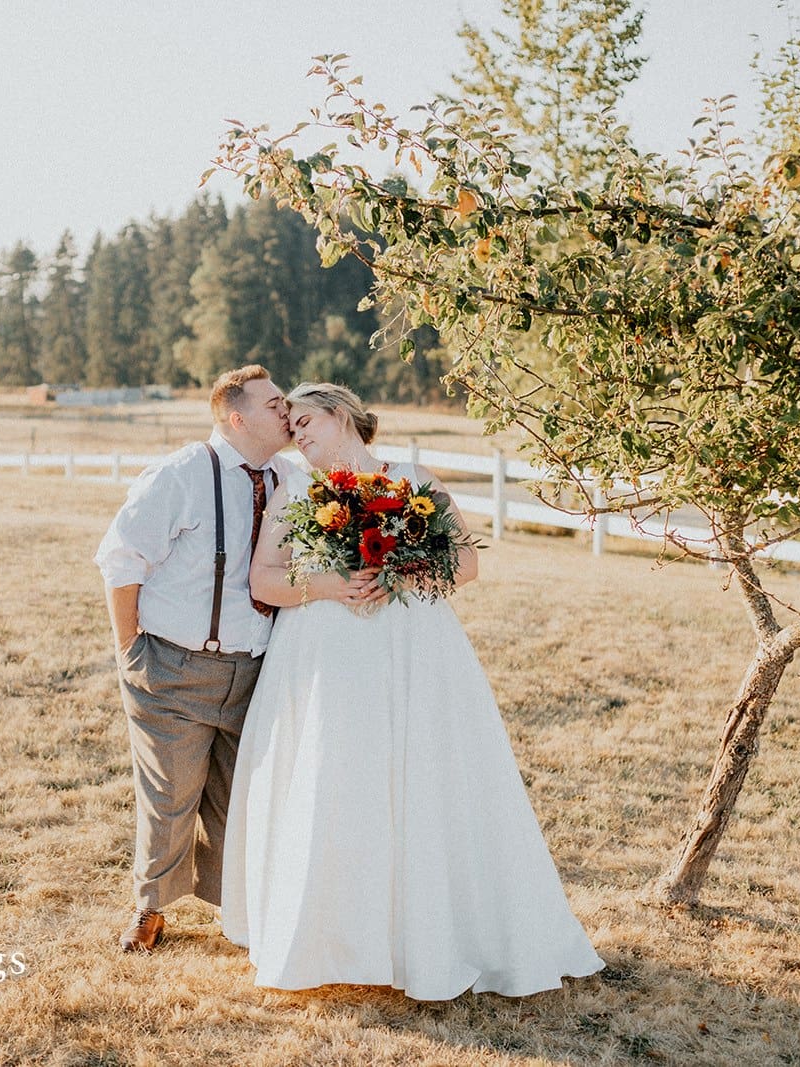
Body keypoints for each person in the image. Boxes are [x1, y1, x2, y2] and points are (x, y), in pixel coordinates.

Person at [220, 381, 605, 999]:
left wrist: (394, 568)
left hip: (413, 651)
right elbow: (264, 581)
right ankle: (329, 937)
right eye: (290, 425)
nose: (298, 433)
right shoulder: (292, 488)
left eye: (306, 420)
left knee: (422, 776)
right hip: (323, 655)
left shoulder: (412, 478)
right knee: (336, 775)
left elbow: (468, 563)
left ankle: (427, 936)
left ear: (342, 415)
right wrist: (330, 584)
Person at [94, 365, 299, 952]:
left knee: (244, 797)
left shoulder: (289, 480)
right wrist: (129, 648)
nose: (286, 411)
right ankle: (150, 907)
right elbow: (121, 559)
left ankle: (241, 908)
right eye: (274, 403)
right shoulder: (182, 474)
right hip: (174, 668)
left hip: (259, 670)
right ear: (238, 417)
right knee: (170, 795)